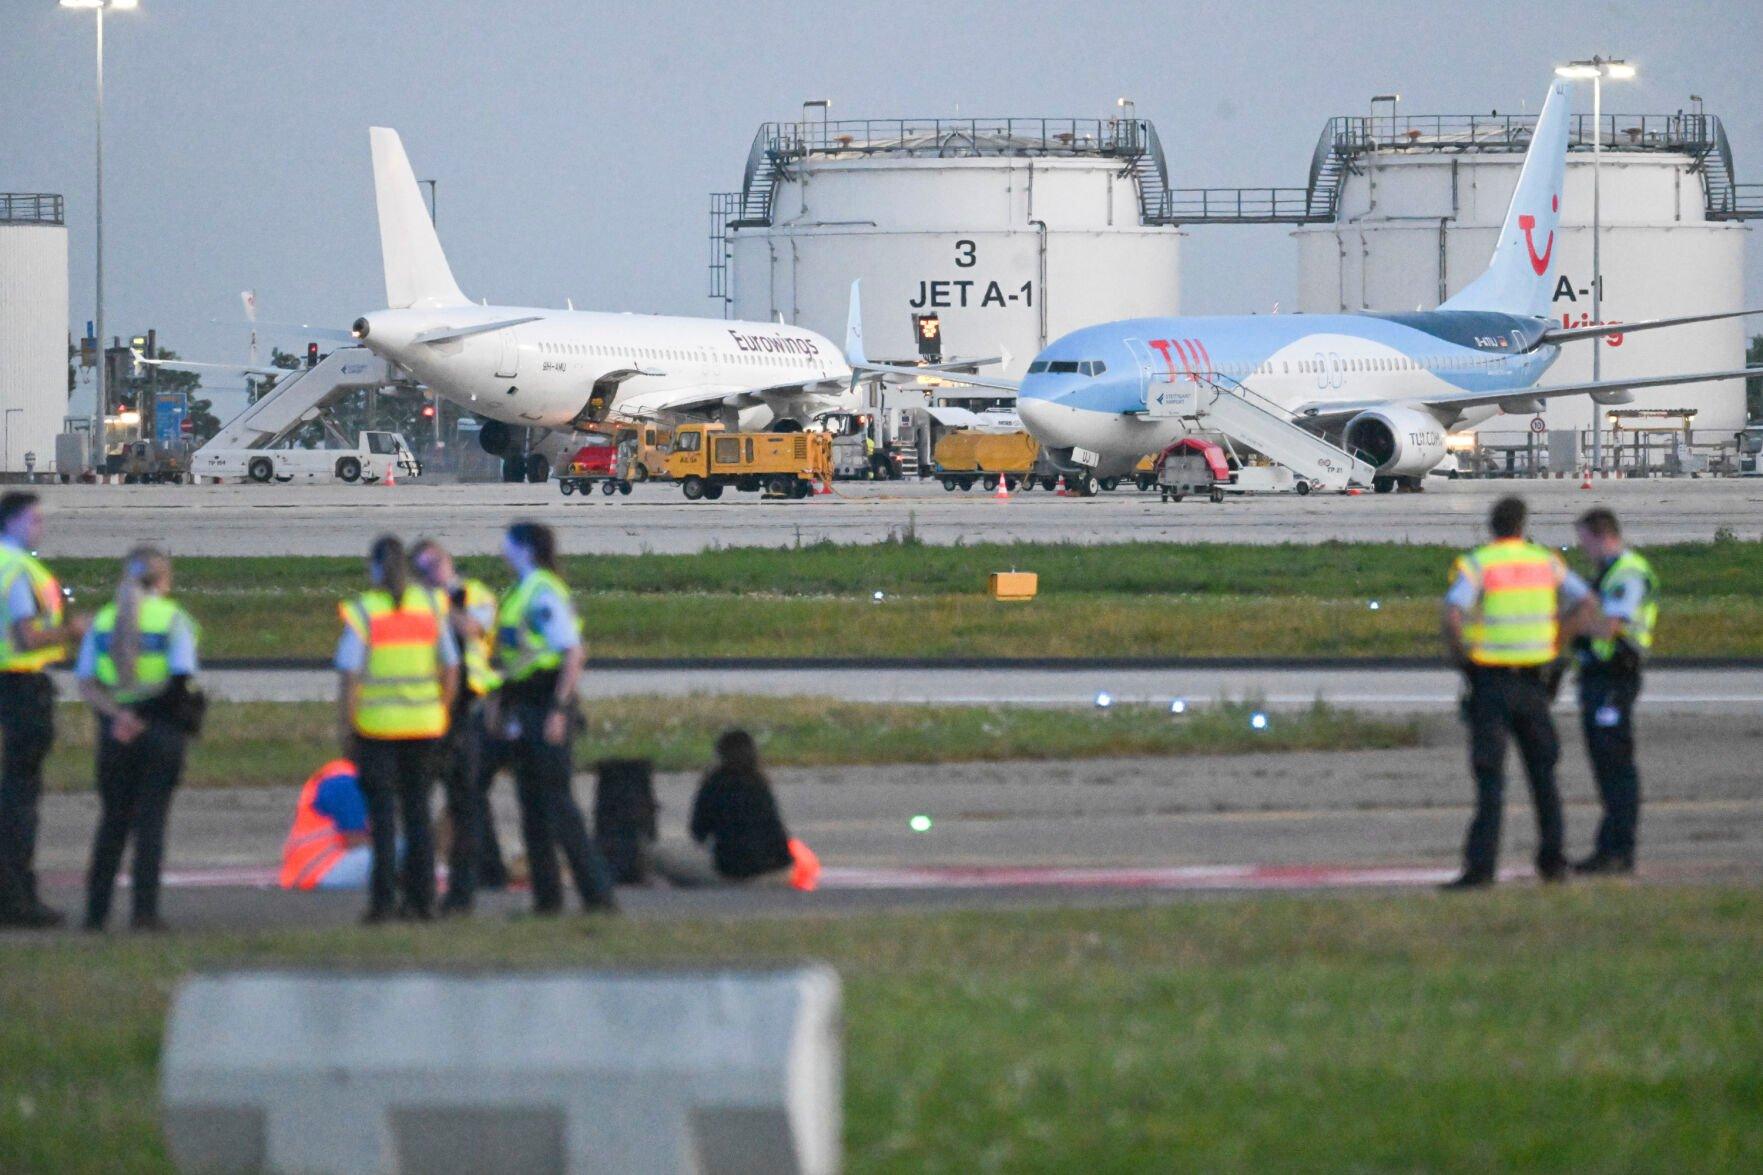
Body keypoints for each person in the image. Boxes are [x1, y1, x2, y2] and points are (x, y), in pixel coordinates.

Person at [1440, 495, 1594, 890]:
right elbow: (1586, 602)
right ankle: (1553, 862)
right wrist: (1558, 644)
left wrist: (1465, 661)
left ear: (1491, 527)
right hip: (1534, 683)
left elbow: (1452, 613)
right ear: (1523, 526)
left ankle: (1481, 869)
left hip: (1490, 681)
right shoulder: (1545, 562)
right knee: (1544, 776)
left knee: (1490, 779)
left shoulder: (1479, 564)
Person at [494, 521, 616, 914]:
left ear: (525, 548)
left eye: (509, 542)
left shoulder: (542, 591)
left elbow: (572, 652)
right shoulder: (519, 590)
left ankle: (598, 896)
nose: (502, 548)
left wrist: (559, 710)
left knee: (559, 806)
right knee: (531, 807)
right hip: (523, 703)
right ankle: (547, 900)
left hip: (545, 703)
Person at [76, 548, 200, 931]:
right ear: (163, 578)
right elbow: (180, 680)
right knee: (151, 823)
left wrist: (119, 716)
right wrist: (144, 717)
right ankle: (144, 913)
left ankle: (96, 914)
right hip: (160, 731)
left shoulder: (102, 622)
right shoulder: (172, 619)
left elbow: (86, 682)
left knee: (112, 822)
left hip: (115, 734)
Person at [336, 535, 458, 923]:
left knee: (384, 821)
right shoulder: (431, 606)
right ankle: (423, 903)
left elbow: (350, 676)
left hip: (376, 731)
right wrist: (440, 709)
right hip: (423, 727)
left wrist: (347, 727)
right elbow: (451, 668)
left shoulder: (365, 611)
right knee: (419, 815)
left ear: (374, 568)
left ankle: (384, 903)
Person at [0, 492, 88, 929]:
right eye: (33, 519)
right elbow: (26, 637)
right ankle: (16, 899)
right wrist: (71, 630)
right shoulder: (16, 569)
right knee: (18, 798)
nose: (41, 527)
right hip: (18, 685)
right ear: (12, 523)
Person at [410, 539, 510, 914]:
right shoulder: (418, 601)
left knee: (470, 793)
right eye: (423, 567)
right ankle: (485, 870)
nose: (432, 571)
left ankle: (482, 873)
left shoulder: (474, 594)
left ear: (450, 561)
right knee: (467, 796)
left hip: (475, 702)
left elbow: (474, 629)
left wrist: (439, 604)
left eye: (436, 562)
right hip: (433, 707)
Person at [1570, 508, 1658, 875]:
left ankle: (1620, 850)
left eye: (1585, 541)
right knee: (1605, 764)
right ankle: (1610, 847)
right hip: (1599, 678)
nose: (1584, 549)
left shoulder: (1628, 572)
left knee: (1616, 763)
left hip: (1615, 678)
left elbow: (1610, 627)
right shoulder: (1608, 573)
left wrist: (1574, 623)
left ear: (1601, 535)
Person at [654, 730, 795, 888]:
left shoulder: (713, 784)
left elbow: (698, 833)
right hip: (781, 872)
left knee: (656, 857)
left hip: (734, 876)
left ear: (720, 755)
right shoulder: (760, 783)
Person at [280, 759, 374, 891]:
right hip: (322, 871)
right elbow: (355, 841)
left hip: (308, 870)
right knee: (405, 849)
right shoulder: (344, 781)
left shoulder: (341, 776)